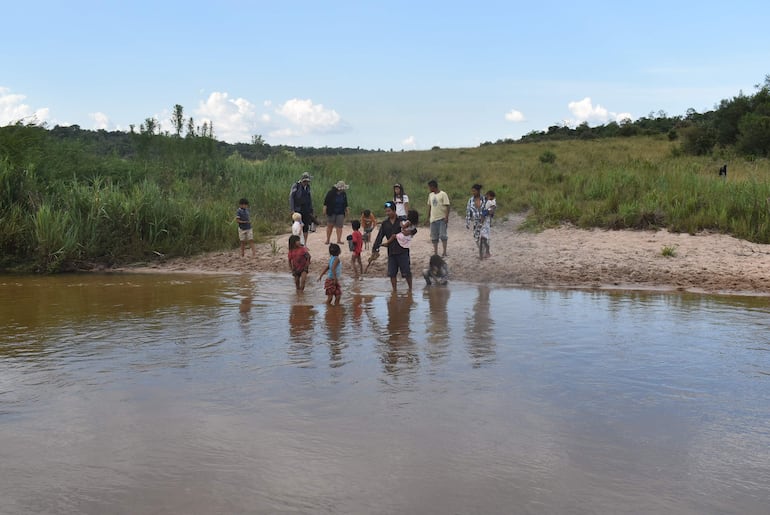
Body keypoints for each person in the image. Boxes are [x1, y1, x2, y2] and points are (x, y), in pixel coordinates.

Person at [372, 201, 413, 291]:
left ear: (394, 211)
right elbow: (380, 236)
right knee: (392, 273)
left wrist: (407, 232)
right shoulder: (385, 223)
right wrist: (375, 248)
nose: (387, 213)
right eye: (386, 211)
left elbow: (414, 230)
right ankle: (394, 291)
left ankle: (410, 289)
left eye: (389, 211)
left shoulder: (402, 220)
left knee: (406, 272)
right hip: (391, 252)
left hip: (403, 251)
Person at [289, 172, 315, 243]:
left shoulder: (308, 187)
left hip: (306, 210)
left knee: (306, 227)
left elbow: (309, 199)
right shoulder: (296, 186)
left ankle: (304, 244)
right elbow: (291, 197)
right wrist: (292, 209)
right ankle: (295, 244)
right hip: (297, 210)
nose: (308, 182)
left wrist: (311, 209)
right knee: (297, 227)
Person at [427, 179, 450, 257]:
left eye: (430, 187)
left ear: (433, 187)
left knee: (443, 235)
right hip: (433, 219)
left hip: (441, 218)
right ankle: (436, 252)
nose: (429, 189)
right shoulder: (430, 195)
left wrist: (446, 217)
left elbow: (447, 206)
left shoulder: (443, 194)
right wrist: (428, 217)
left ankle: (444, 251)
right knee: (434, 237)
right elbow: (430, 206)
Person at [323, 180, 350, 245]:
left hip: (340, 211)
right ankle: (328, 240)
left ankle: (339, 240)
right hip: (331, 211)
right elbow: (326, 202)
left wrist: (347, 211)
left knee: (339, 226)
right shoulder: (331, 193)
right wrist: (324, 210)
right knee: (330, 226)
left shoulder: (343, 194)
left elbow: (345, 203)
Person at [465, 184, 488, 258]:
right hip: (476, 221)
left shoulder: (484, 199)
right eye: (472, 191)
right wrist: (468, 222)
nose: (473, 192)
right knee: (476, 238)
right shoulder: (470, 200)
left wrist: (485, 217)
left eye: (474, 191)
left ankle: (483, 253)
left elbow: (487, 209)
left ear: (478, 191)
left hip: (484, 220)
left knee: (483, 236)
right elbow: (468, 211)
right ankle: (484, 251)